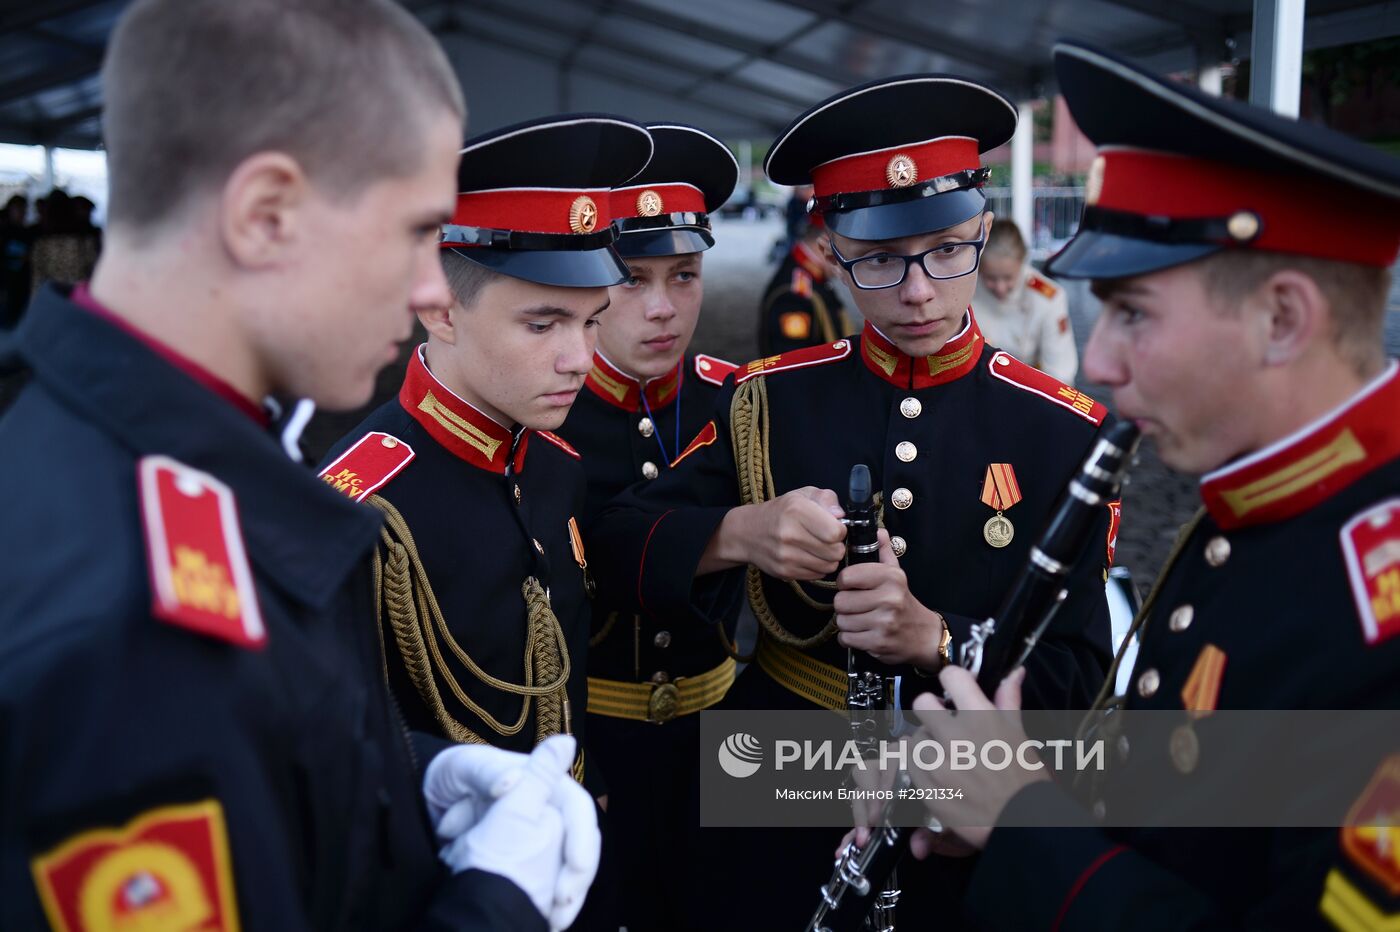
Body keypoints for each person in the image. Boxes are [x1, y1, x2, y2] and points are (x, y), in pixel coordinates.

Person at [0, 1, 598, 929]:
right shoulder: (125, 624)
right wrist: (496, 905)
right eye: (413, 233)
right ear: (266, 214)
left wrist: (412, 776)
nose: (432, 289)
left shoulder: (153, 466)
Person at [588, 74, 1120, 929]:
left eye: (948, 249)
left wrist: (936, 641)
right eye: (878, 259)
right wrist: (737, 531)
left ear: (984, 230)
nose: (917, 290)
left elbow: (1082, 678)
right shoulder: (769, 400)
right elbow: (611, 546)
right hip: (774, 791)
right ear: (831, 250)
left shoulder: (1062, 434)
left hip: (959, 803)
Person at [906, 40, 1400, 932]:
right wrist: (1014, 796)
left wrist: (1024, 827)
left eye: (1132, 313)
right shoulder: (1256, 501)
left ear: (1282, 318)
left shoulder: (1379, 606)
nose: (1096, 360)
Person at [318, 113, 654, 929]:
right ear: (440, 310)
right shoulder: (353, 507)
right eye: (543, 324)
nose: (580, 359)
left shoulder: (552, 465)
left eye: (591, 322)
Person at [555, 121, 739, 932]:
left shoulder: (742, 403)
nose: (664, 308)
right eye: (632, 279)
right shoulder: (543, 416)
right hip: (594, 747)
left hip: (722, 739)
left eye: (686, 275)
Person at [974, 217, 1078, 383]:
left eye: (1008, 278)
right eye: (991, 278)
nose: (1000, 288)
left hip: (1030, 390)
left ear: (1022, 263)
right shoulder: (967, 288)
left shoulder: (1049, 299)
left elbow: (1060, 374)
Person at [757, 210, 853, 355]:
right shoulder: (793, 296)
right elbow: (792, 365)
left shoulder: (810, 276)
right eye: (848, 246)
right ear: (826, 243)